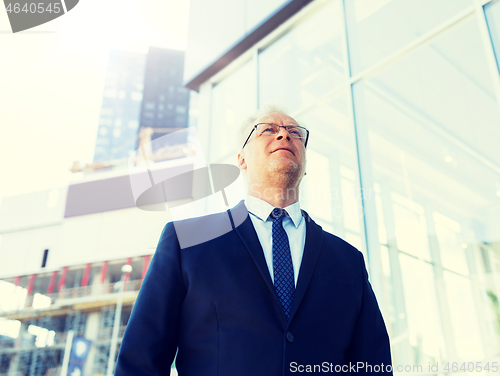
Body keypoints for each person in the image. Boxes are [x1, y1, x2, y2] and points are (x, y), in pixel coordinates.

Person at [115, 107, 392, 376]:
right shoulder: (186, 242)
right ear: (242, 159)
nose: (284, 135)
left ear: (305, 165)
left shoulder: (348, 259)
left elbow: (372, 364)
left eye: (294, 132)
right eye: (268, 130)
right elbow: (141, 361)